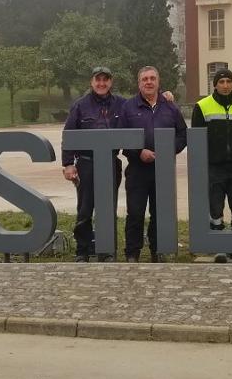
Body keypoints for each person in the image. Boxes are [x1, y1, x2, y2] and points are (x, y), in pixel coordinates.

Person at [118, 66, 187, 262]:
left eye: (152, 78)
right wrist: (139, 152)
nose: (149, 82)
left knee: (160, 213)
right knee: (135, 213)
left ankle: (158, 252)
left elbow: (182, 134)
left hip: (163, 170)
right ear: (138, 83)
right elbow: (122, 137)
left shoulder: (171, 107)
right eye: (144, 79)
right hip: (137, 170)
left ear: (158, 81)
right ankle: (132, 253)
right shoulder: (128, 107)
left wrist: (168, 150)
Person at [191, 67, 232, 263]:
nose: (225, 85)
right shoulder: (202, 106)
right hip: (213, 167)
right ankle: (218, 247)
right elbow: (197, 139)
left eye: (229, 82)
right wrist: (200, 166)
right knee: (215, 208)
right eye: (221, 82)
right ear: (215, 85)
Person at [61, 66, 126, 262]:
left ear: (111, 82)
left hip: (110, 164)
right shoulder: (80, 106)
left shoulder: (122, 104)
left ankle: (107, 252)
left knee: (108, 208)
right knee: (85, 209)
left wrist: (165, 96)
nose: (101, 83)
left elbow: (143, 103)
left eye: (105, 80)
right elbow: (69, 136)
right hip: (86, 165)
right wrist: (68, 164)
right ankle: (82, 251)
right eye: (98, 80)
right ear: (91, 82)